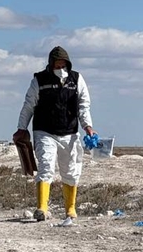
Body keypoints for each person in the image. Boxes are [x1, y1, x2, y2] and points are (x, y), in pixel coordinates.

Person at [14, 46, 96, 225]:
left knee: (71, 171)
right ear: (50, 64)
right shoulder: (39, 80)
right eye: (57, 65)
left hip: (69, 132)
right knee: (45, 167)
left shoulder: (76, 79)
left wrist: (88, 126)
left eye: (63, 65)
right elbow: (29, 105)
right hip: (44, 132)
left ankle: (70, 208)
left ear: (68, 64)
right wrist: (22, 128)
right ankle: (42, 208)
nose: (60, 68)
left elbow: (84, 105)